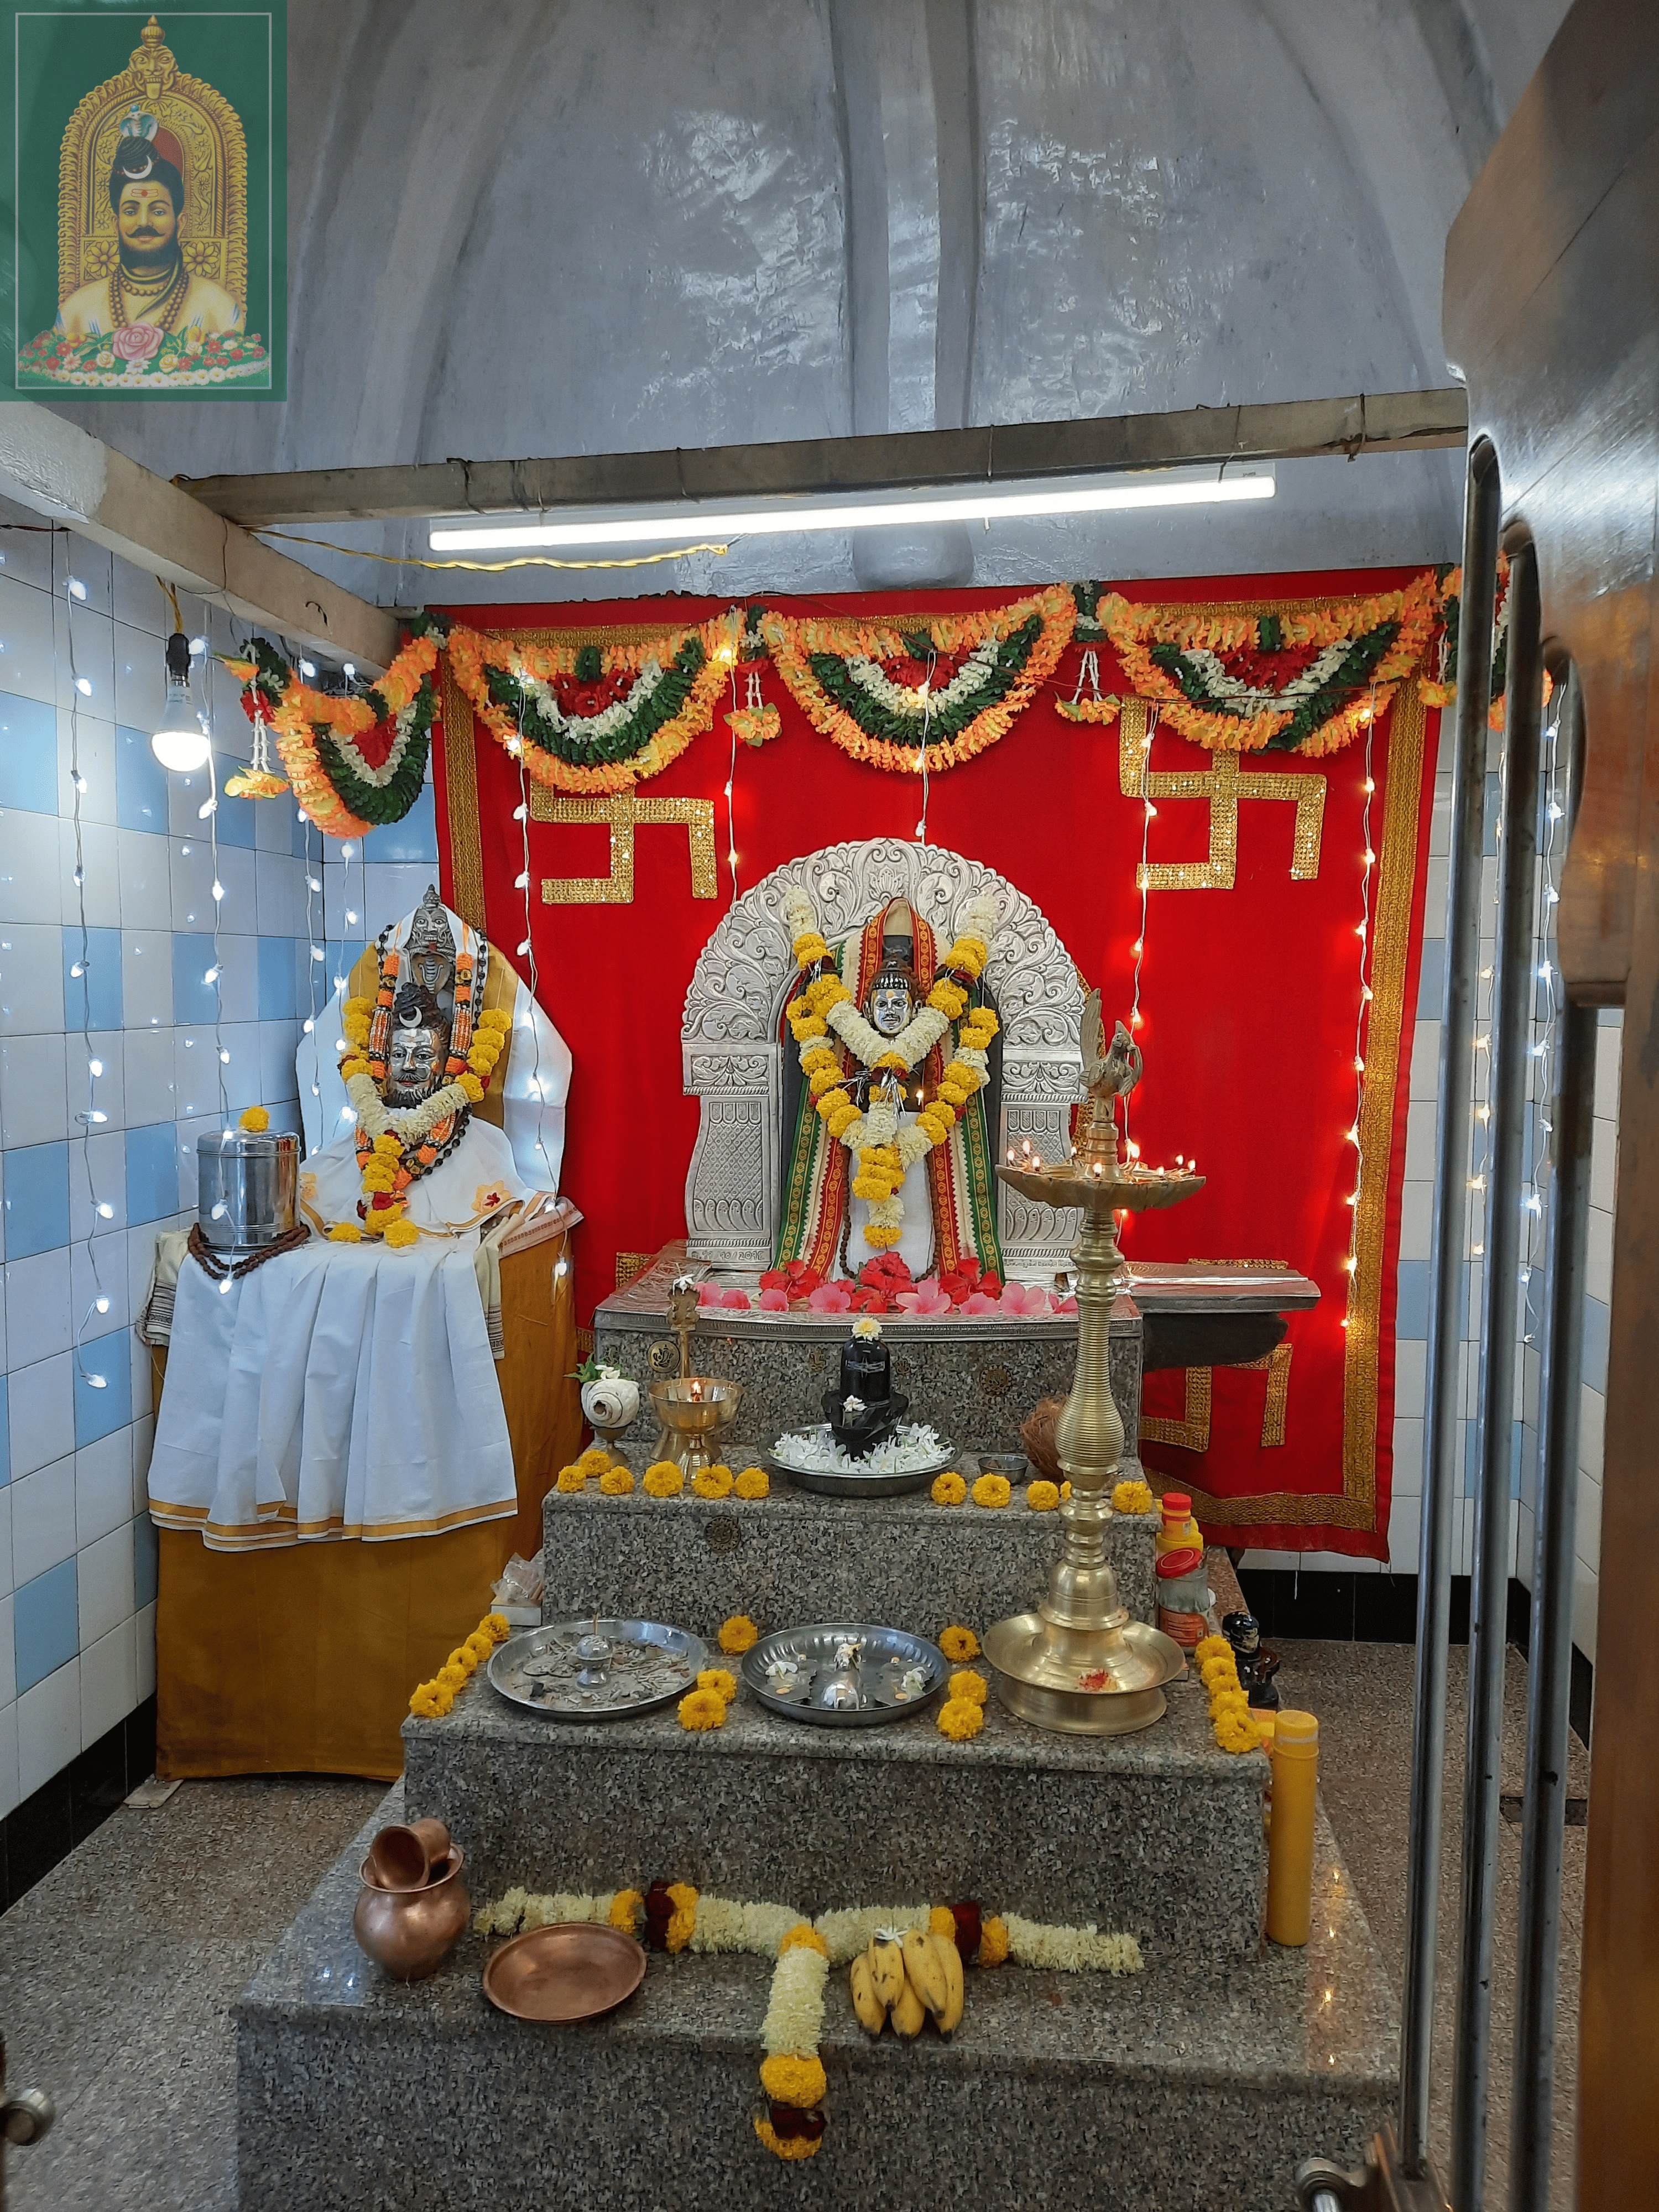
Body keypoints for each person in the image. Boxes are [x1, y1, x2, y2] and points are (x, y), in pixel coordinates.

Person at [55, 110, 241, 342]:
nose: (144, 222)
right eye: (131, 211)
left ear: (180, 223)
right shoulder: (76, 312)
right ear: (116, 223)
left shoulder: (219, 310)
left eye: (159, 211)